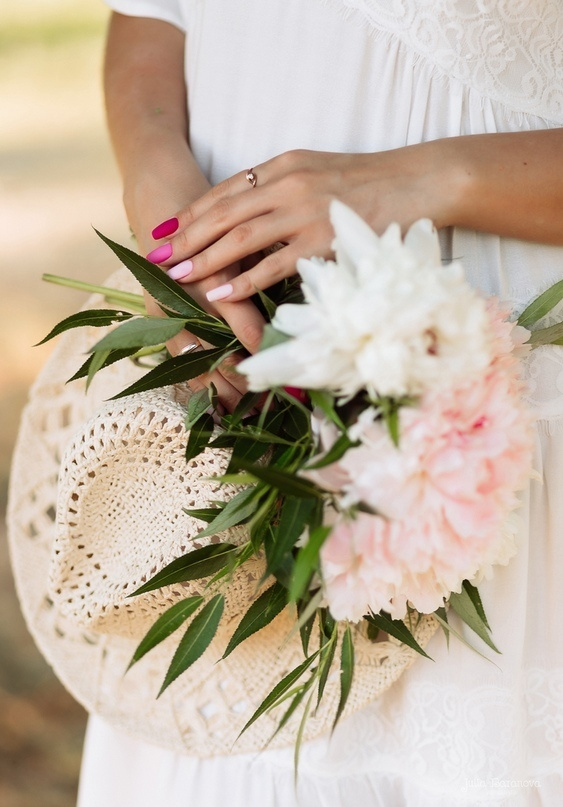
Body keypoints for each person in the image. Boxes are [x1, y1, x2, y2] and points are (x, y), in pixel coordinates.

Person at [78, 1, 563, 804]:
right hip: (229, 422)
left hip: (478, 416)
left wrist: (420, 179)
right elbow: (149, 17)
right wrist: (164, 205)